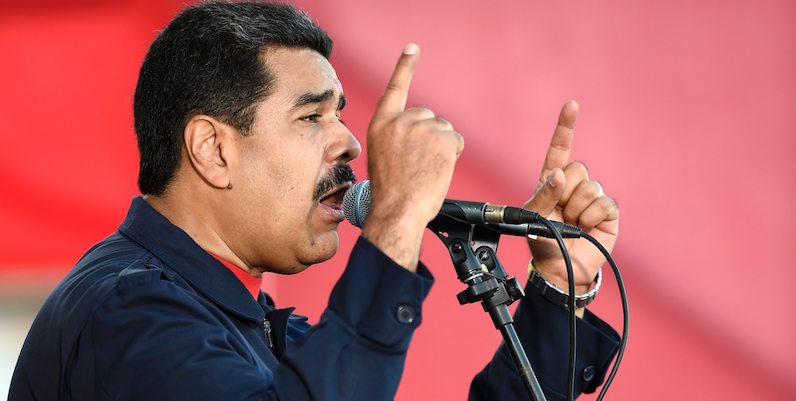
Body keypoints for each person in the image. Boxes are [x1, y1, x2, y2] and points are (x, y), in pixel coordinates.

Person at [9, 2, 620, 400]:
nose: (351, 143)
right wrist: (395, 220)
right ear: (213, 151)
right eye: (312, 115)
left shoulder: (245, 322)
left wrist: (556, 290)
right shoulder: (132, 314)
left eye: (342, 115)